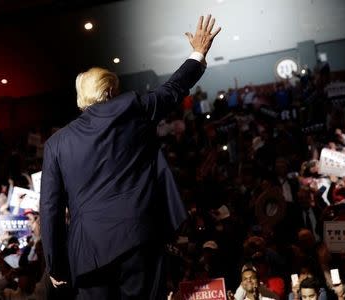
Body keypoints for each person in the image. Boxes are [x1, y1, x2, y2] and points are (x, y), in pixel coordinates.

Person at [40, 13, 221, 299]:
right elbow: (173, 90)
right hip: (140, 239)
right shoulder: (131, 108)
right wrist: (198, 52)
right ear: (112, 90)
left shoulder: (56, 144)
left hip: (88, 255)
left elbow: (50, 210)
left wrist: (56, 265)